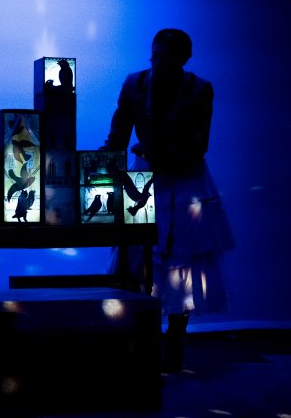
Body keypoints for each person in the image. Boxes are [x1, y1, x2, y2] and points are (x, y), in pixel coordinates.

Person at [101, 29, 235, 372]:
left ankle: (174, 346)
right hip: (146, 181)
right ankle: (138, 343)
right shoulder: (134, 84)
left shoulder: (200, 89)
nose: (158, 63)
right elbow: (117, 136)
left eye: (166, 57)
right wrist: (96, 164)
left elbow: (198, 145)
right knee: (137, 261)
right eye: (155, 55)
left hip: (185, 184)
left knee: (182, 264)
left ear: (183, 60)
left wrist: (156, 153)